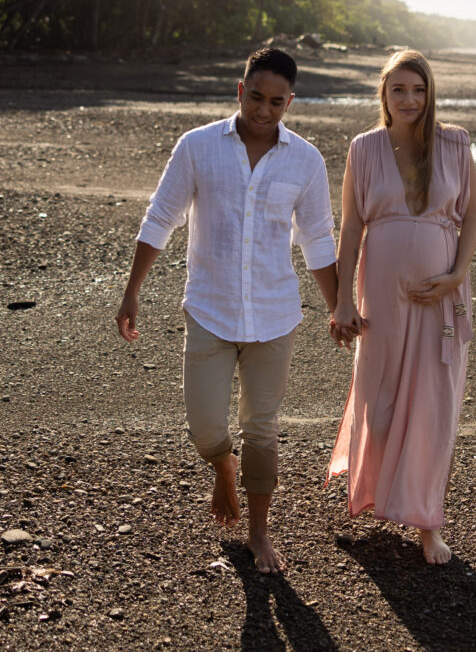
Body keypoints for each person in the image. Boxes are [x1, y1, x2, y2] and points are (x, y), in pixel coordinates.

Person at [116, 48, 338, 574]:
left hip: (275, 315)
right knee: (203, 422)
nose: (264, 110)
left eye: (277, 102)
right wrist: (132, 292)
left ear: (290, 102)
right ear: (241, 91)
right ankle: (222, 465)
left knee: (262, 426)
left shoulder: (305, 160)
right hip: (210, 310)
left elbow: (318, 240)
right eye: (256, 97)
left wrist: (339, 308)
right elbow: (160, 218)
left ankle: (260, 532)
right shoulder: (197, 147)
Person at [328, 49, 476, 564]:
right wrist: (343, 300)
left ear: (430, 92)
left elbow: (474, 216)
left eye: (418, 90)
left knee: (435, 405)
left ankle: (426, 523)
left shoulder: (455, 143)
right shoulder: (364, 148)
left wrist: (456, 275)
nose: (410, 99)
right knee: (383, 394)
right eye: (399, 90)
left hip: (442, 296)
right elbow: (350, 228)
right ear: (384, 95)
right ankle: (376, 492)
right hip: (382, 295)